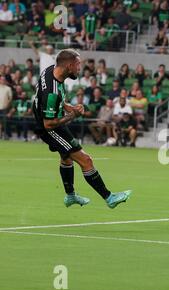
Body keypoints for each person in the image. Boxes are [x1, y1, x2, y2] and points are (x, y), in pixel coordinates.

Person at [31, 49, 131, 209]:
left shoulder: (51, 71)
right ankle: (109, 197)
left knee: (66, 157)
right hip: (49, 128)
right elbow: (48, 123)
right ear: (69, 65)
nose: (80, 69)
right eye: (78, 65)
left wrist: (69, 107)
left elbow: (56, 100)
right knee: (86, 160)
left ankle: (70, 196)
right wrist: (73, 115)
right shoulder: (52, 91)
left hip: (49, 121)